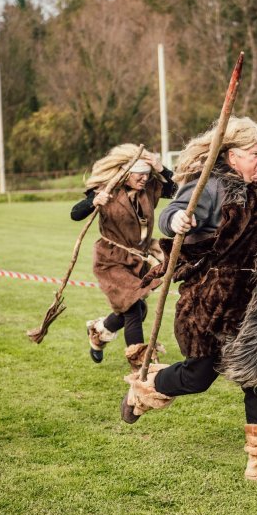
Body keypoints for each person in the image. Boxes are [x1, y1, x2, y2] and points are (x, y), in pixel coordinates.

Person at [121, 117, 257, 484]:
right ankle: (145, 389)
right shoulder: (209, 185)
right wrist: (179, 220)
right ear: (231, 156)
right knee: (197, 376)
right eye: (255, 154)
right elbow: (171, 213)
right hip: (213, 299)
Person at [70, 144, 176, 371]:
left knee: (138, 309)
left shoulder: (150, 187)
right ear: (126, 173)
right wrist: (93, 202)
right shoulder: (107, 189)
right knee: (133, 309)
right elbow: (75, 213)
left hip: (140, 258)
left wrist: (161, 167)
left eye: (148, 173)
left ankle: (99, 331)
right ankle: (139, 362)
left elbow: (179, 190)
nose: (145, 178)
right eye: (140, 173)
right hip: (111, 259)